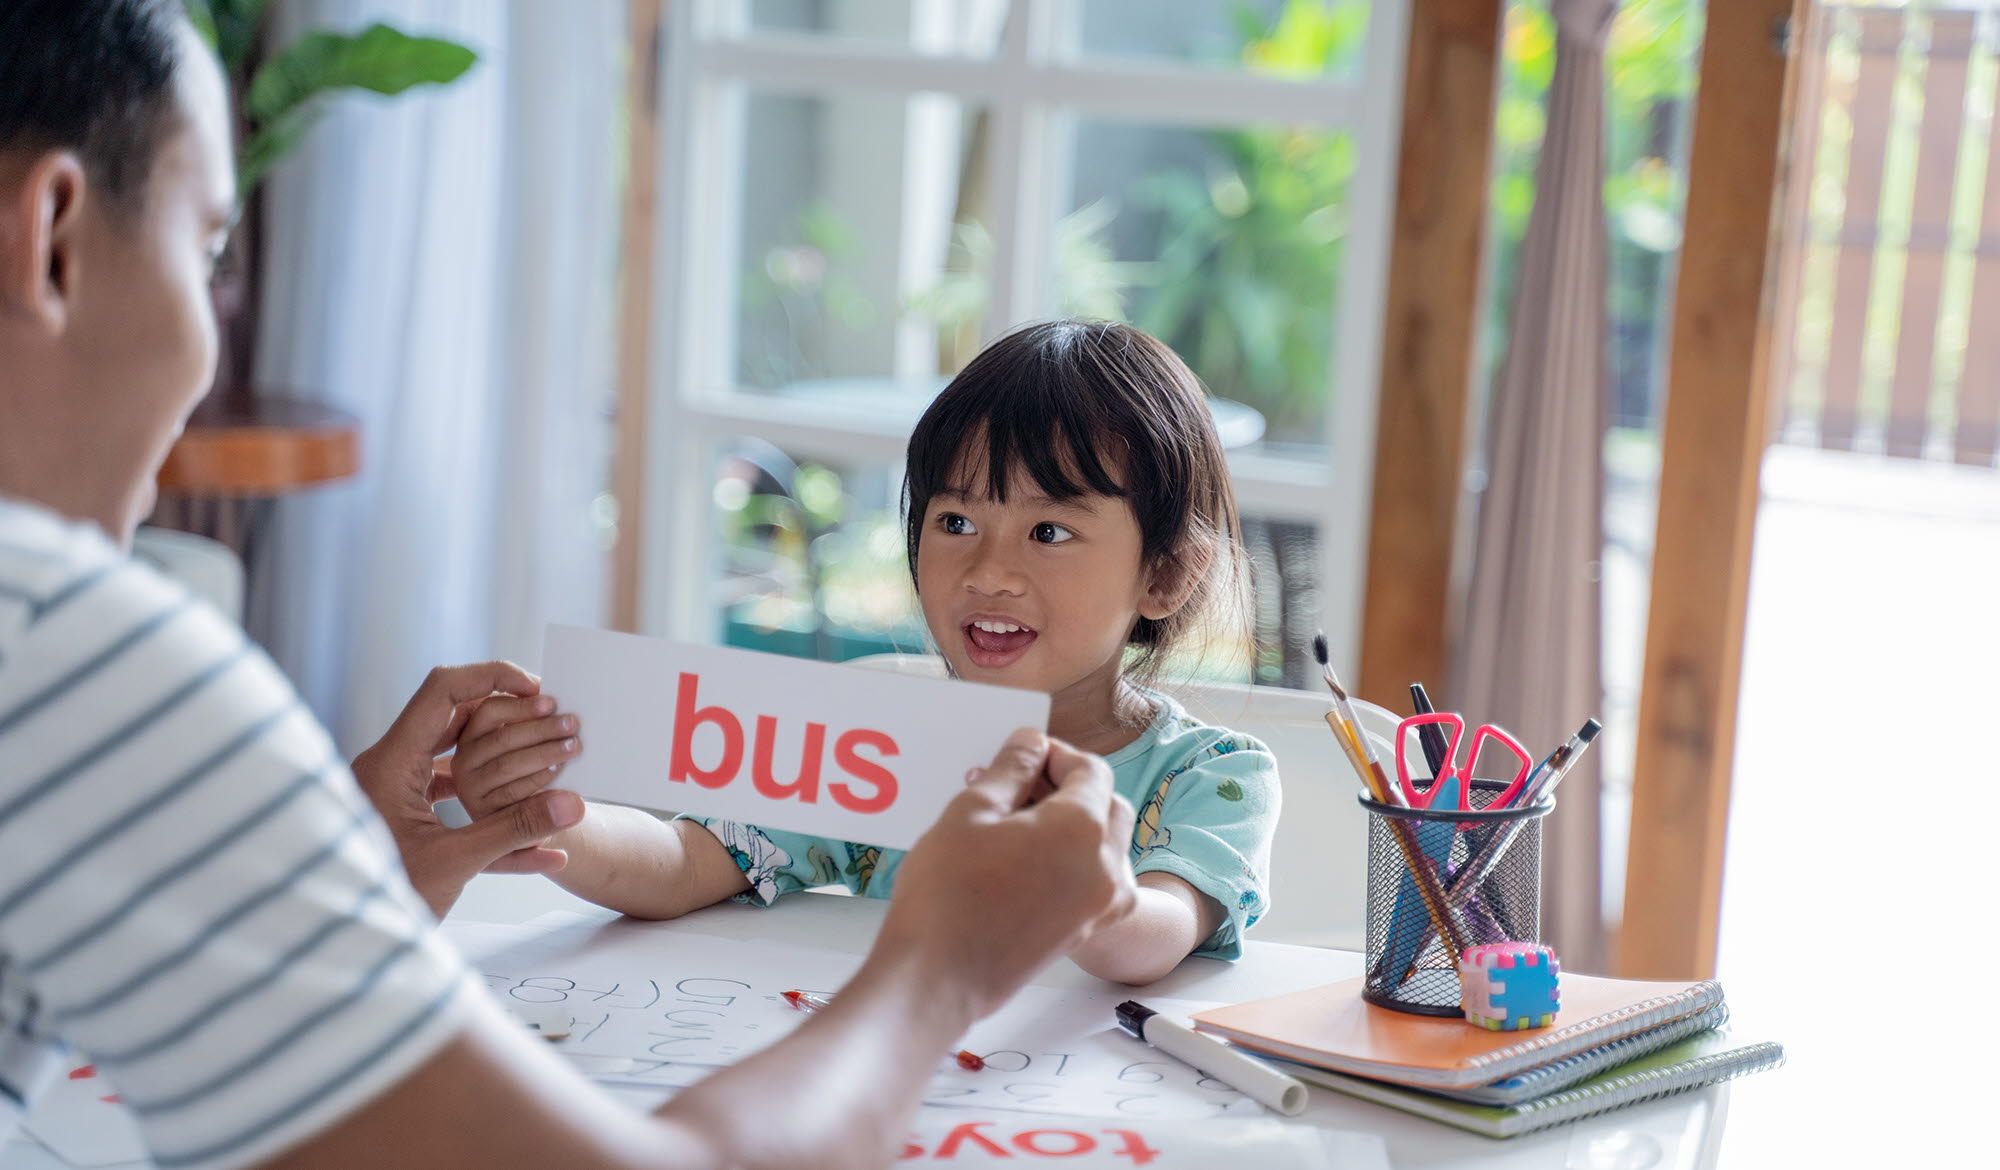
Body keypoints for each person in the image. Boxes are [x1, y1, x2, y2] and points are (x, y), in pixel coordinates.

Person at [0, 4, 1136, 1168]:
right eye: (208, 251)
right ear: (52, 239)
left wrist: (342, 870)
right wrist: (940, 969)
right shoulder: (67, 651)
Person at [455, 320, 1281, 985]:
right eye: (955, 522)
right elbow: (683, 863)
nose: (990, 572)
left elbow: (1158, 936)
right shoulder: (879, 745)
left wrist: (1095, 902)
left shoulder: (1213, 776)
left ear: (1166, 575)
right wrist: (555, 815)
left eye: (1049, 531)